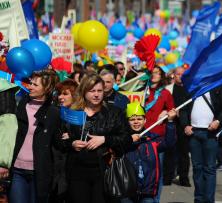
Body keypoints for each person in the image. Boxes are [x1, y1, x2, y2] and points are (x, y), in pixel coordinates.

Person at [60, 73, 132, 203]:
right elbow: (60, 139)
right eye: (92, 91)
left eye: (99, 90)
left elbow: (127, 138)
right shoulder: (73, 111)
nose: (96, 94)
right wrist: (72, 143)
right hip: (77, 171)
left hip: (104, 171)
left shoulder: (114, 112)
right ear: (84, 91)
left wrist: (105, 139)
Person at [8, 70, 60, 203]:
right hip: (17, 169)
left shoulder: (54, 112)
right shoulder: (19, 105)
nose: (30, 86)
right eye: (30, 83)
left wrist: (66, 138)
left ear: (47, 88)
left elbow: (57, 145)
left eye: (35, 85)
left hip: (40, 171)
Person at [180, 84, 222, 203]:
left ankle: (208, 200)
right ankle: (198, 199)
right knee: (197, 168)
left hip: (210, 133)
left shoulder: (219, 83)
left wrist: (218, 121)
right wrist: (185, 125)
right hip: (193, 132)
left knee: (209, 168)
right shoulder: (192, 84)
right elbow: (183, 108)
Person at [123, 102, 177, 203]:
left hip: (147, 191)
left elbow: (169, 143)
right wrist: (128, 140)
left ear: (145, 120)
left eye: (139, 119)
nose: (136, 122)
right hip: (127, 191)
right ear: (127, 122)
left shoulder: (152, 139)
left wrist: (170, 121)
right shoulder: (122, 139)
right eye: (132, 119)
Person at [144, 66, 175, 202]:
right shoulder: (142, 91)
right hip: (141, 134)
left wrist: (167, 113)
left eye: (157, 73)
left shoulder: (165, 93)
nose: (154, 75)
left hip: (157, 135)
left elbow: (174, 111)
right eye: (152, 72)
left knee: (156, 171)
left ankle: (155, 199)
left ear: (162, 76)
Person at [51, 79, 79, 203]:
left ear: (74, 95)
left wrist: (73, 136)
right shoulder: (54, 113)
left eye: (65, 94)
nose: (60, 97)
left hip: (73, 174)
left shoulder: (82, 115)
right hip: (54, 173)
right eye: (59, 94)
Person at [164, 67, 192, 187]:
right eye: (178, 74)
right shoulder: (168, 89)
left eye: (182, 74)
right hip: (171, 123)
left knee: (184, 153)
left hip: (184, 125)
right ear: (173, 76)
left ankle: (184, 178)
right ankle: (167, 177)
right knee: (169, 151)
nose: (180, 76)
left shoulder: (190, 89)